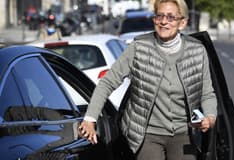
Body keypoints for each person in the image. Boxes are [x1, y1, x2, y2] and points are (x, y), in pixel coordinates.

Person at [78, 0, 217, 160]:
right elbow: (107, 82)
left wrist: (210, 117)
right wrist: (90, 119)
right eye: (160, 16)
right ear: (154, 19)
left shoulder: (197, 51)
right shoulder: (139, 48)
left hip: (184, 134)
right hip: (146, 134)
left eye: (171, 17)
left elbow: (207, 93)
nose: (164, 21)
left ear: (182, 23)